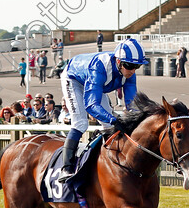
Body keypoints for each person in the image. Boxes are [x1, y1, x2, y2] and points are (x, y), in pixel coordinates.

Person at [57, 38, 148, 183]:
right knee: (81, 123)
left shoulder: (129, 72)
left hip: (97, 83)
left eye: (137, 66)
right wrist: (114, 119)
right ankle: (66, 167)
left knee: (110, 126)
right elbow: (91, 105)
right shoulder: (99, 67)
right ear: (118, 61)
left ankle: (109, 164)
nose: (132, 70)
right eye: (129, 65)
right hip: (74, 79)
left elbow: (132, 104)